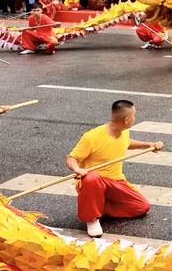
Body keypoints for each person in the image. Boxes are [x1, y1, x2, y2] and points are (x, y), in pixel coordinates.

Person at [66, 100, 163, 237]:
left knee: (142, 207)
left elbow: (128, 143)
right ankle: (92, 218)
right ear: (126, 119)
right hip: (93, 182)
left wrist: (150, 145)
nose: (135, 118)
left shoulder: (124, 132)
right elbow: (71, 158)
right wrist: (77, 169)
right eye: (134, 115)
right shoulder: (92, 137)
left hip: (116, 181)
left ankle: (98, 206)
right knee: (92, 177)